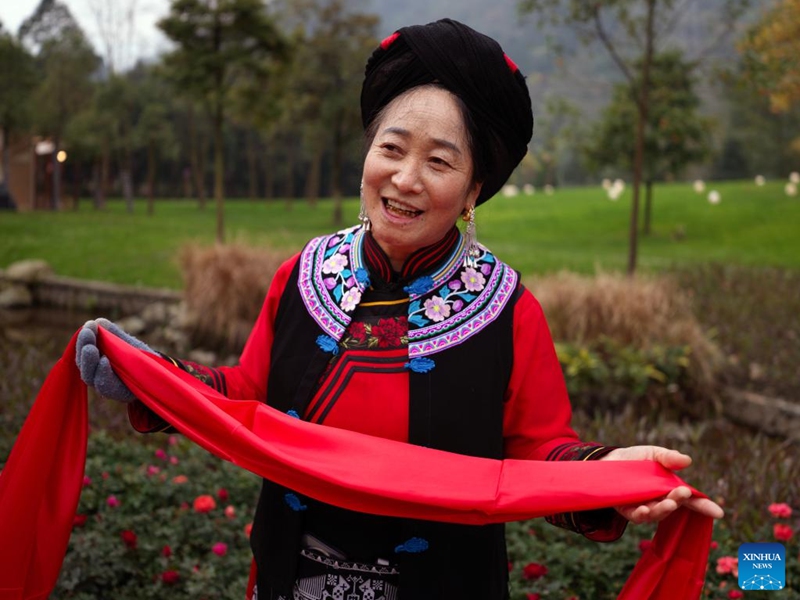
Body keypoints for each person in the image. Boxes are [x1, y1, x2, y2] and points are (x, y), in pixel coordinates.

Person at [75, 18, 723, 600]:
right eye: (391, 148)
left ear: (473, 191)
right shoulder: (303, 274)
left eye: (438, 162)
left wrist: (604, 474)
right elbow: (246, 396)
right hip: (288, 577)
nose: (406, 178)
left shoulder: (509, 310)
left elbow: (537, 453)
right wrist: (148, 376)